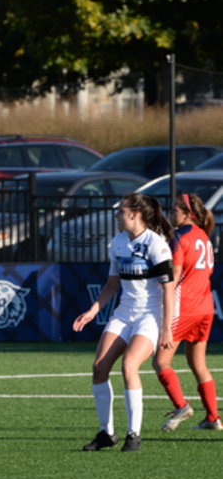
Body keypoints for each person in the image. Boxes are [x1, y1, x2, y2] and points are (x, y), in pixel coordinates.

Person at [73, 193, 175, 452]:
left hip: (149, 316)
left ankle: (133, 434)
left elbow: (168, 290)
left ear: (135, 214)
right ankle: (106, 433)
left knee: (129, 366)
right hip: (124, 313)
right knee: (99, 368)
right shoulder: (118, 241)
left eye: (121, 211)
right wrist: (93, 310)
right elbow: (112, 284)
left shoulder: (156, 244)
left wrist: (166, 329)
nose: (117, 215)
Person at [153, 192, 223, 431]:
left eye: (175, 210)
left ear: (187, 213)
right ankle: (213, 418)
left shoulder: (179, 237)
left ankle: (181, 406)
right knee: (199, 365)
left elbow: (174, 276)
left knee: (161, 362)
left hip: (184, 308)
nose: (171, 213)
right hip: (205, 308)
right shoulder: (204, 235)